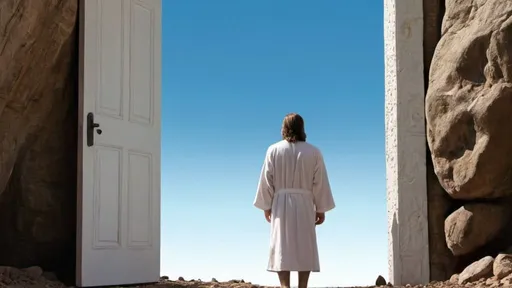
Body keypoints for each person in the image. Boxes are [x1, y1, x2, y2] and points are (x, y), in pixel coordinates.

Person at [253, 113, 336, 288]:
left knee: (282, 243)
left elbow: (267, 179)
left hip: (281, 203)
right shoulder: (313, 152)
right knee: (304, 244)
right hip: (305, 202)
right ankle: (302, 285)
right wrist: (320, 208)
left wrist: (266, 206)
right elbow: (319, 182)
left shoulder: (273, 150)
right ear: (302, 128)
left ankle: (285, 286)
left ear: (284, 128)